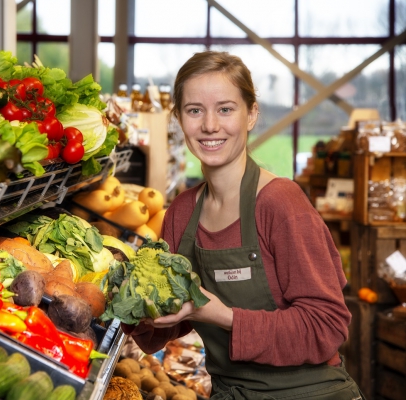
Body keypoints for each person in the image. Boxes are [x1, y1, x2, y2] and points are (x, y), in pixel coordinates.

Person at [122, 51, 364, 400]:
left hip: (310, 393)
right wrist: (130, 300)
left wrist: (223, 315)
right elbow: (158, 332)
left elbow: (327, 326)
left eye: (225, 109)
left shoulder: (281, 203)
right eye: (194, 110)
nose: (209, 125)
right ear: (178, 118)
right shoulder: (181, 212)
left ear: (251, 114)